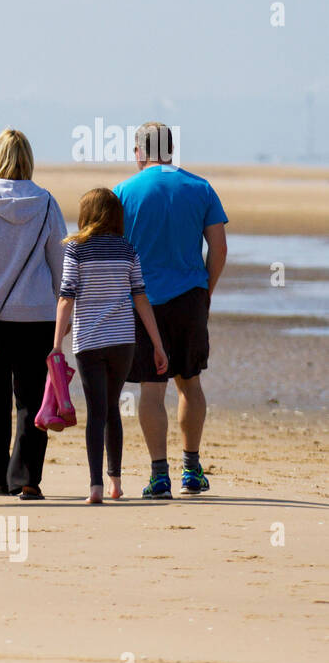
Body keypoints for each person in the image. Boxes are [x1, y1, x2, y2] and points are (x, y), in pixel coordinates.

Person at [113, 123, 228, 498]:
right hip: (190, 297)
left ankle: (159, 475)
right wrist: (204, 293)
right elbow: (219, 249)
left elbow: (114, 253)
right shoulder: (200, 187)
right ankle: (192, 469)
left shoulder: (123, 193)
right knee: (189, 383)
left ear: (138, 152)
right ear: (172, 149)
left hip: (142, 300)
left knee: (151, 388)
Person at [0, 129, 66, 500]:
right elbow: (60, 266)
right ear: (28, 160)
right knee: (34, 401)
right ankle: (27, 479)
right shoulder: (47, 203)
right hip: (38, 316)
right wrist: (64, 315)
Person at [54, 189, 168, 503]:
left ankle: (95, 488)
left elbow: (66, 297)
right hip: (123, 341)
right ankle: (115, 482)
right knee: (112, 409)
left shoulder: (76, 250)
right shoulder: (127, 249)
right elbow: (141, 297)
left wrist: (56, 345)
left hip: (89, 341)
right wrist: (158, 344)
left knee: (96, 412)